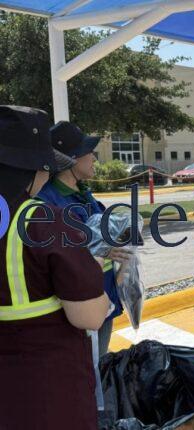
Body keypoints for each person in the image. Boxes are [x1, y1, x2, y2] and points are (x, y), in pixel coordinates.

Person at [0, 105, 110, 428]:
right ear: (35, 170)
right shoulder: (44, 222)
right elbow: (89, 316)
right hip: (47, 391)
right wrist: (97, 271)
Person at [37, 121, 131, 356]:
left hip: (102, 301)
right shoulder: (50, 203)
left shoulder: (83, 194)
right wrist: (101, 249)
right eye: (89, 152)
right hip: (80, 309)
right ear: (72, 159)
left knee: (99, 367)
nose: (94, 158)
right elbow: (61, 258)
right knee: (89, 371)